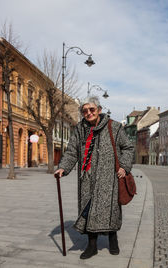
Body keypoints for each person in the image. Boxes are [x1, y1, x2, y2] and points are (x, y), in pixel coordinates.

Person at [54, 96, 134, 259]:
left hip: (109, 178)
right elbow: (71, 151)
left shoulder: (115, 127)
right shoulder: (79, 129)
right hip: (87, 178)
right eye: (84, 111)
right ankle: (92, 247)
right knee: (87, 211)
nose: (88, 113)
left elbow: (128, 148)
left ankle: (113, 239)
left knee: (109, 210)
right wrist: (63, 167)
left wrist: (124, 167)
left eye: (91, 109)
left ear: (99, 110)